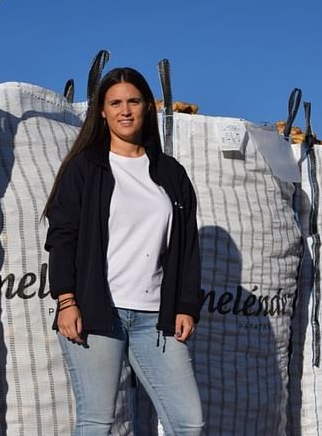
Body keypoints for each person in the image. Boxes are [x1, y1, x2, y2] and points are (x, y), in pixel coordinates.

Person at [43, 66, 203, 435]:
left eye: (133, 101)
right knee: (98, 421)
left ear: (147, 106)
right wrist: (66, 301)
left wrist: (185, 306)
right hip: (97, 311)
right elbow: (62, 237)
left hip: (156, 319)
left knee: (188, 422)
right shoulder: (85, 168)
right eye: (115, 103)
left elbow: (187, 247)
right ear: (101, 111)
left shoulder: (170, 173)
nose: (125, 110)